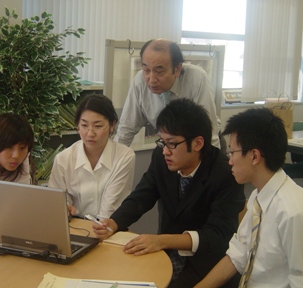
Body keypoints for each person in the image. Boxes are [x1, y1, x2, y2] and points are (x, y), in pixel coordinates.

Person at [93, 98, 245, 287]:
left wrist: (162, 241)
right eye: (162, 142)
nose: (165, 151)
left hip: (206, 263)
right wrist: (113, 223)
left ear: (197, 143)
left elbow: (218, 235)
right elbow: (142, 196)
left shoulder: (225, 173)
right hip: (165, 252)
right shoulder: (162, 158)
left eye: (171, 144)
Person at [195, 108, 303, 288]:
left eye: (232, 152)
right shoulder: (257, 196)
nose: (229, 161)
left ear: (254, 156)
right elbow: (238, 254)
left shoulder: (293, 212)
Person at [113, 38, 221, 149]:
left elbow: (210, 133)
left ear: (177, 68)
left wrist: (212, 163)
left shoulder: (197, 79)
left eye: (159, 71)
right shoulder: (140, 81)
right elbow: (126, 129)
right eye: (146, 70)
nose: (151, 79)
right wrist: (113, 160)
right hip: (167, 144)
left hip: (196, 144)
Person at [48, 94, 135, 219]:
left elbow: (110, 208)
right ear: (77, 125)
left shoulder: (124, 156)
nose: (90, 133)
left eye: (98, 126)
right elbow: (56, 202)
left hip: (109, 226)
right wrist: (65, 208)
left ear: (112, 125)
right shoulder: (63, 158)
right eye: (84, 125)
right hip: (74, 227)